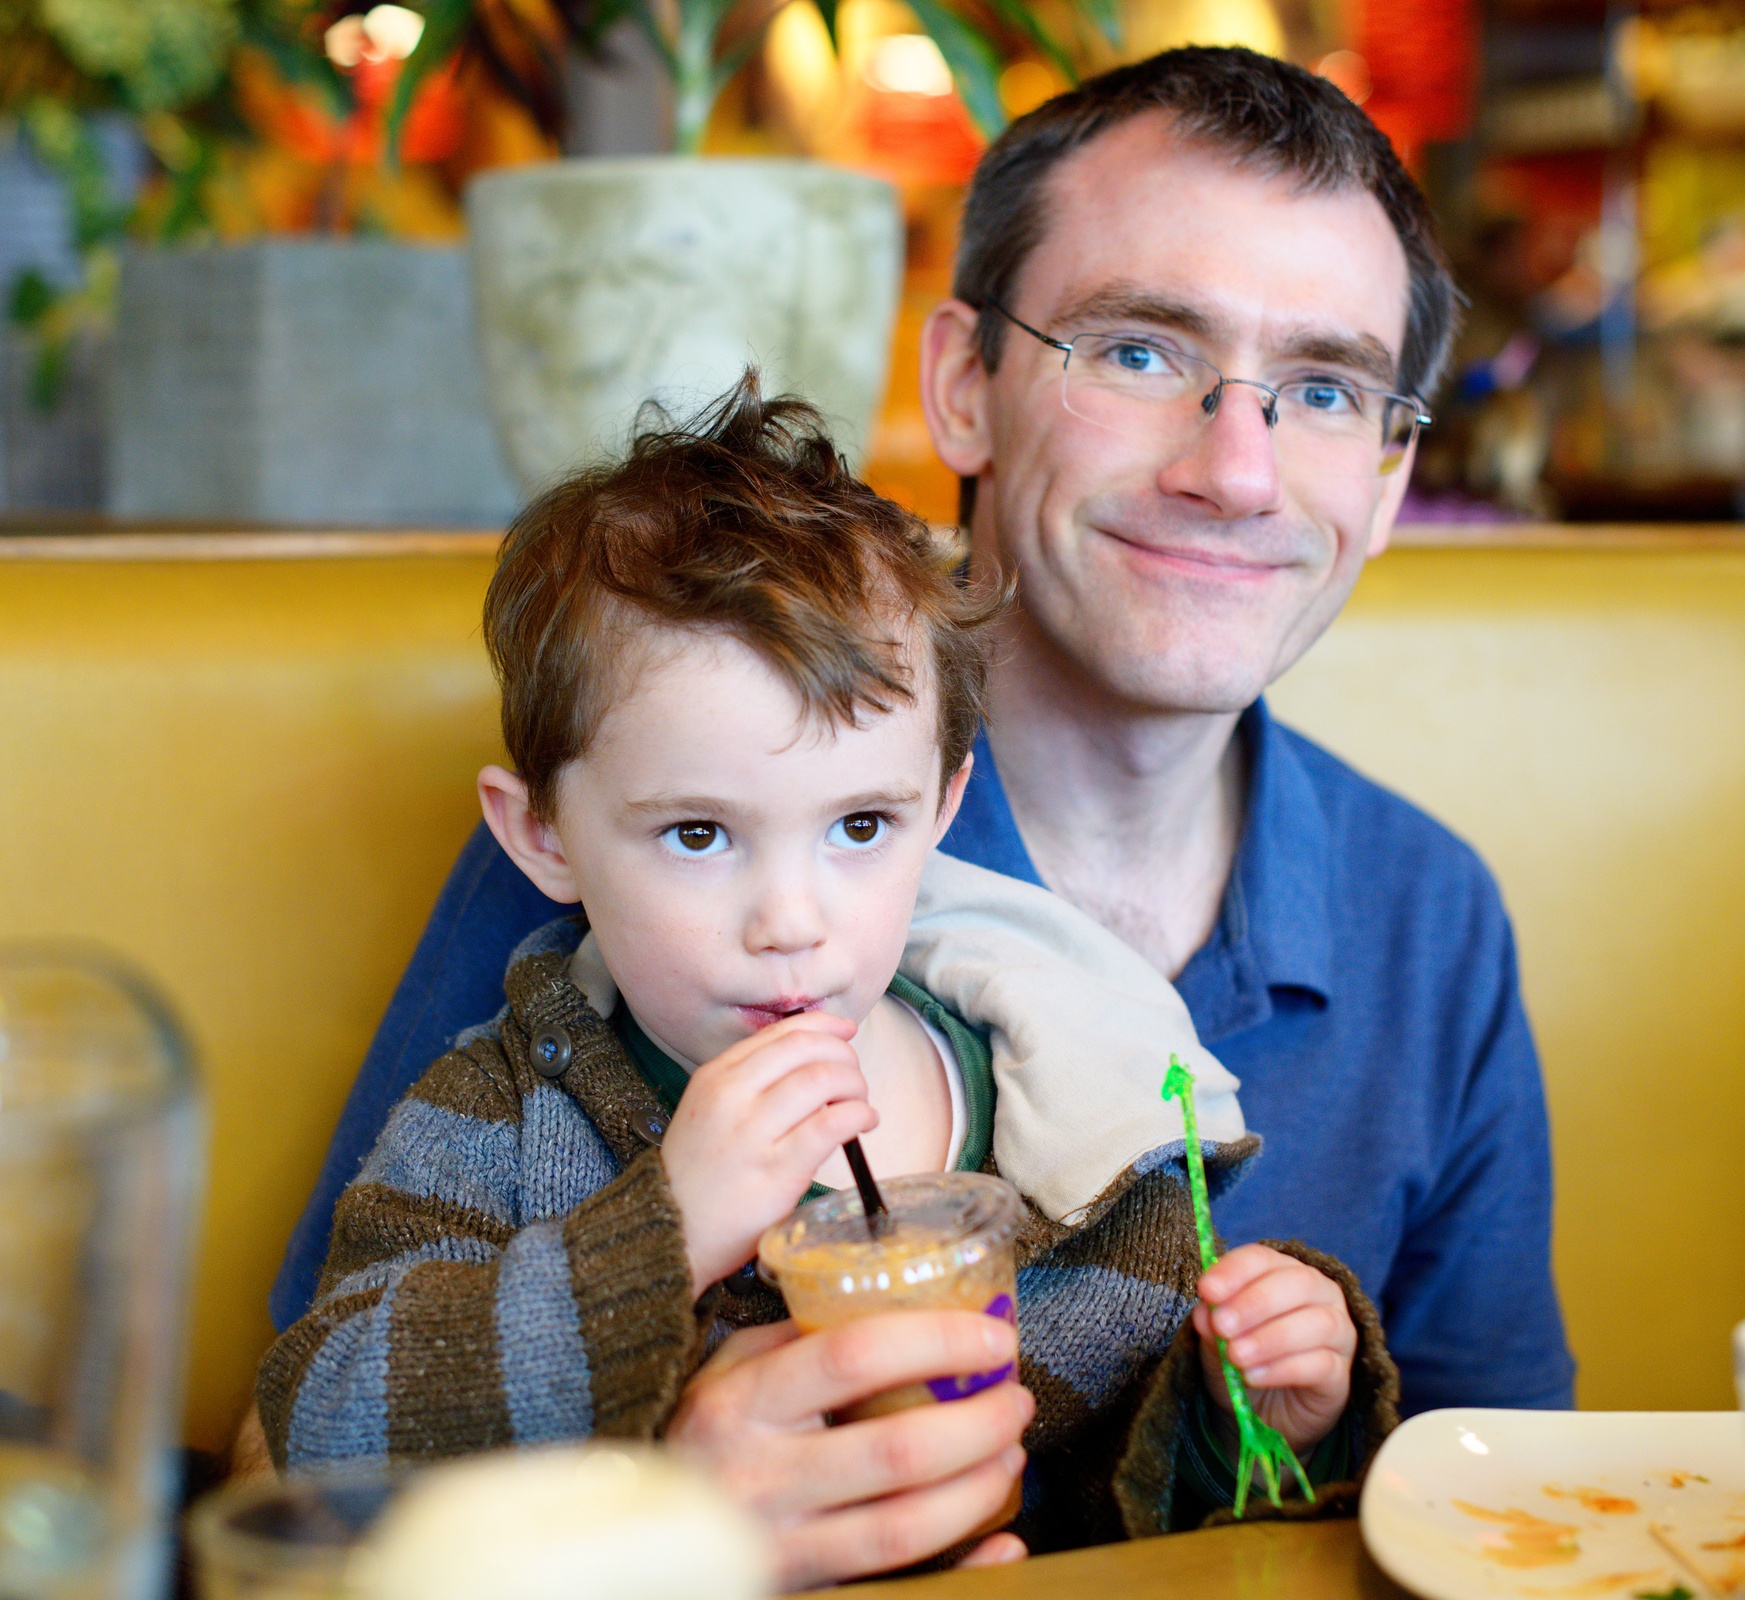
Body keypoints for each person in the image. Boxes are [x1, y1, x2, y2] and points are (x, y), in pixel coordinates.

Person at [273, 45, 1573, 1583]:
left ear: (1392, 471)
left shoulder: (1429, 911)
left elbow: (1506, 1505)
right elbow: (286, 1473)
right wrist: (658, 1506)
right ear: (965, 386)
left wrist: (1288, 1405)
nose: (1238, 470)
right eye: (1140, 351)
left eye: (1326, 391)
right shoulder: (650, 813)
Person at [257, 378, 1398, 1569]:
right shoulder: (500, 1122)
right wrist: (657, 1238)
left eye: (858, 826)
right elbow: (320, 1422)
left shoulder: (1086, 1127)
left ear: (941, 806)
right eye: (697, 833)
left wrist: (1247, 1415)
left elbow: (1145, 1517)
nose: (790, 923)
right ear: (542, 835)